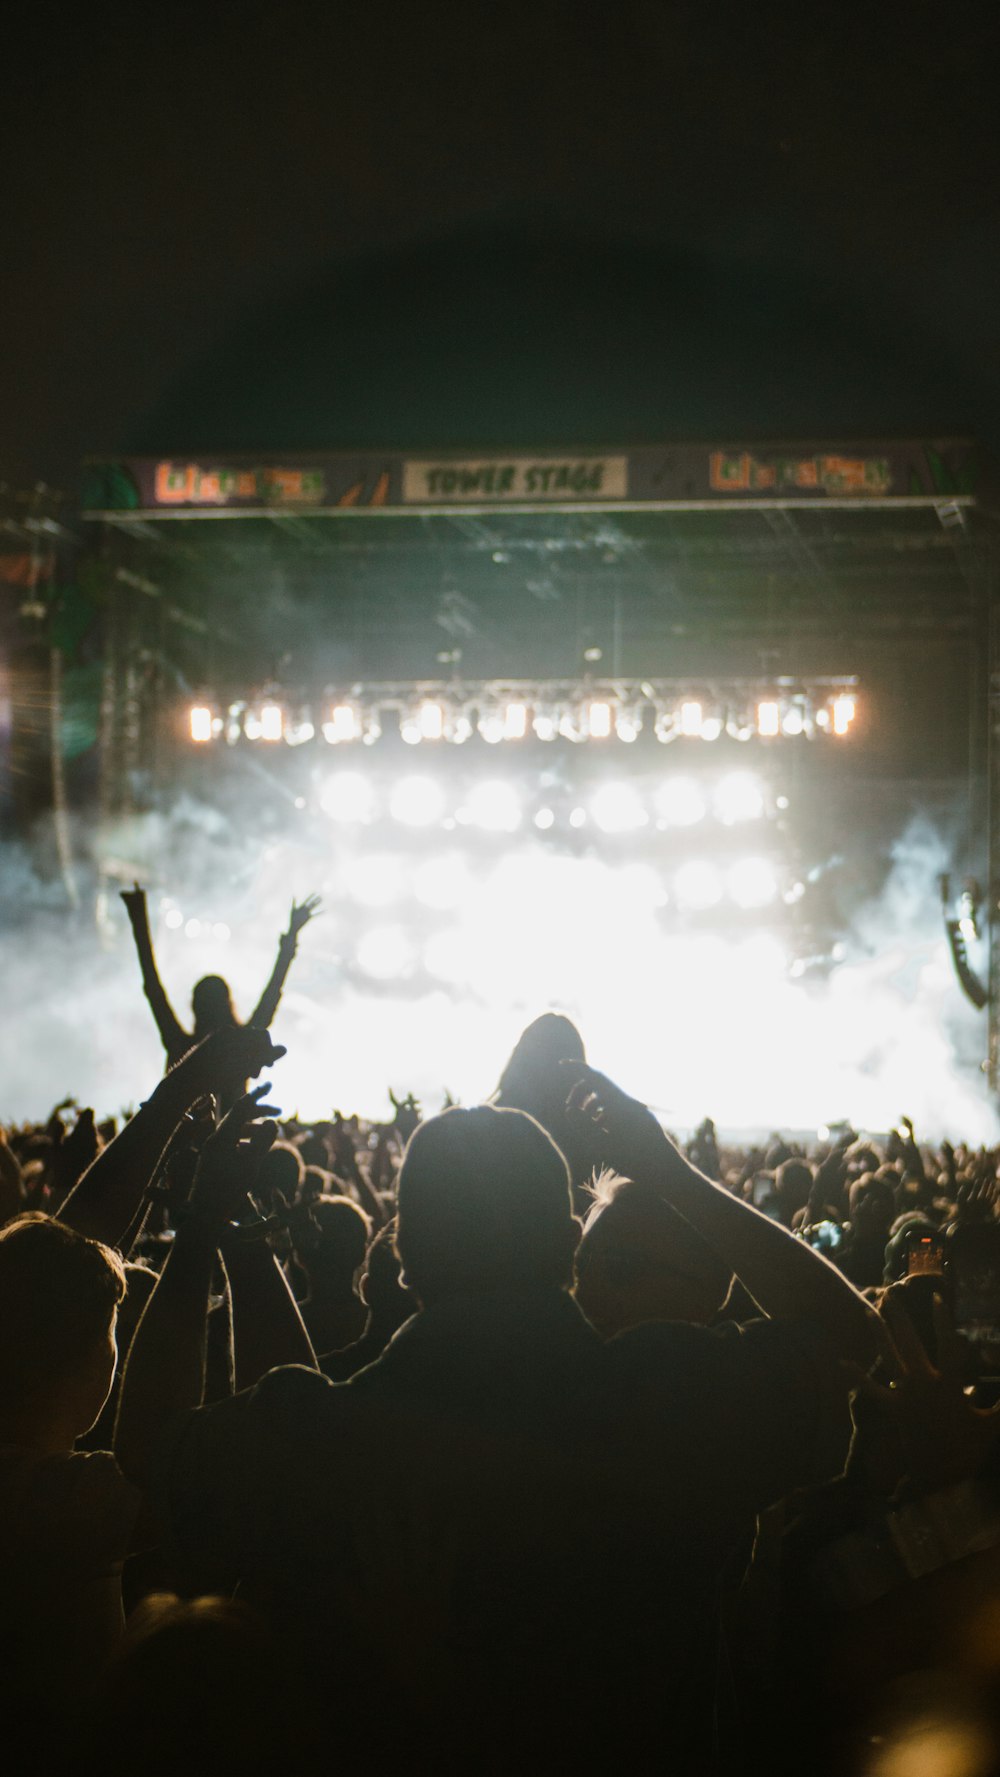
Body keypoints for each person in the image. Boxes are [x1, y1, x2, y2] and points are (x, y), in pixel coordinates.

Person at [116, 1054, 886, 1773]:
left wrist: (198, 1237)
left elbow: (147, 1455)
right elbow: (850, 1336)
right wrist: (667, 1170)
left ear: (405, 1254)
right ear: (565, 1244)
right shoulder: (673, 1400)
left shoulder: (317, 1433)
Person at [0, 1214, 138, 1718]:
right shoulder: (71, 1501)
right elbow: (171, 1448)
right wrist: (209, 1235)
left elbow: (37, 1275)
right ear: (89, 1362)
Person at [119, 883, 319, 1097]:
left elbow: (153, 989)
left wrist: (138, 919)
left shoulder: (181, 1046)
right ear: (228, 1003)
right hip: (233, 1131)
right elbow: (272, 993)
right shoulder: (243, 1044)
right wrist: (291, 938)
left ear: (195, 1007)